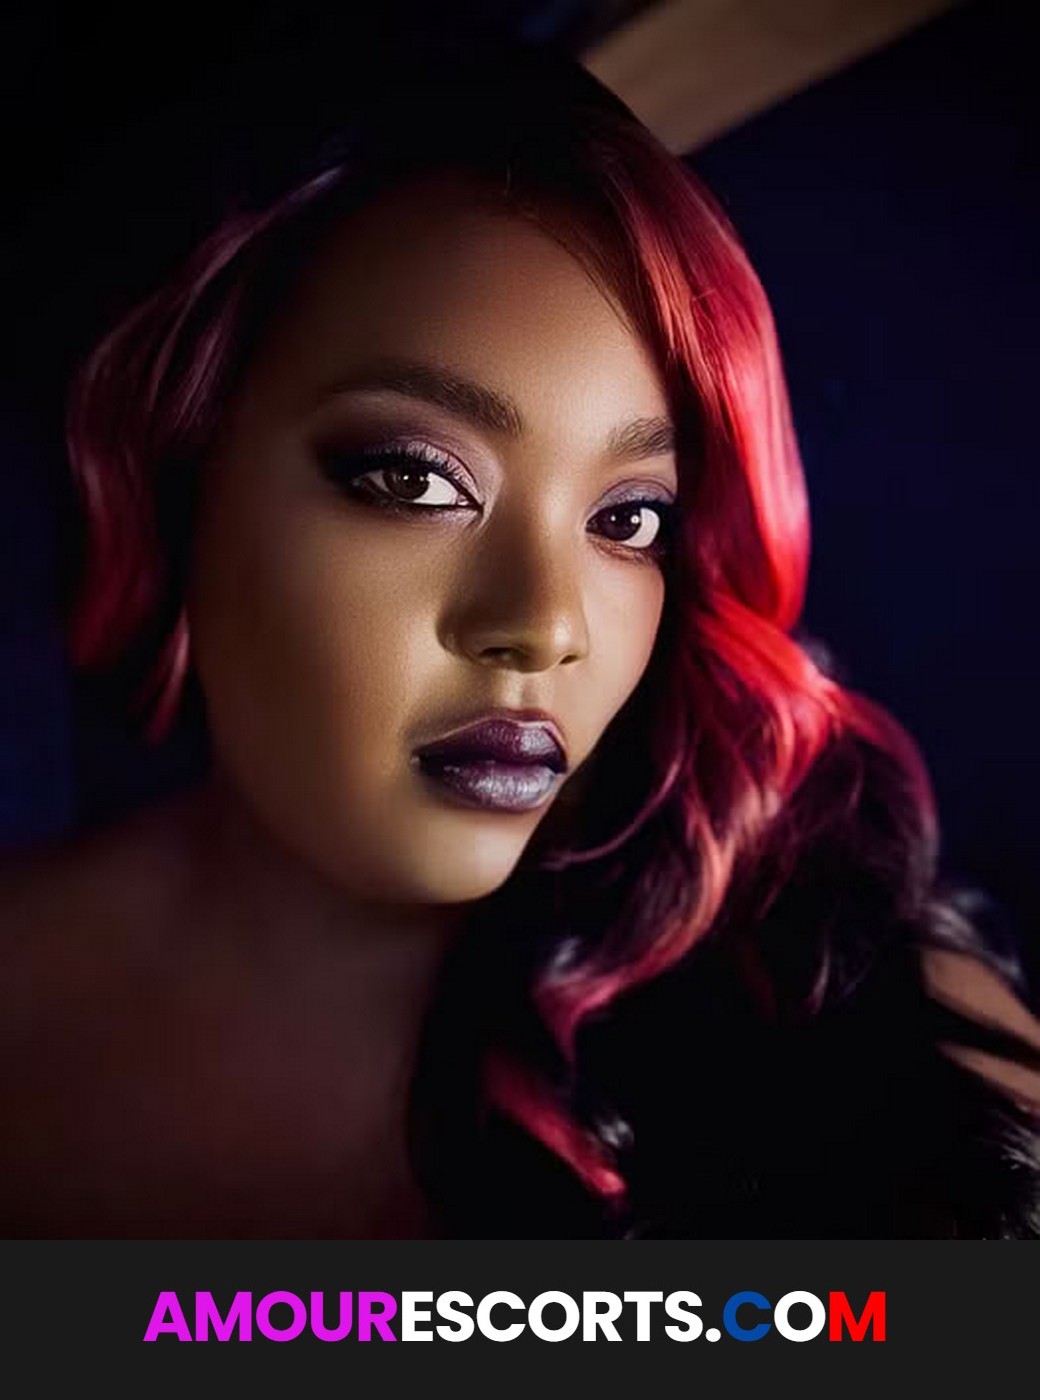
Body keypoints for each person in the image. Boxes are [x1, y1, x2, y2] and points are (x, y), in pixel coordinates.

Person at [1, 31, 1037, 1239]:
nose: (544, 626)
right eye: (415, 479)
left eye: (628, 518)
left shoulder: (878, 1025)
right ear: (182, 468)